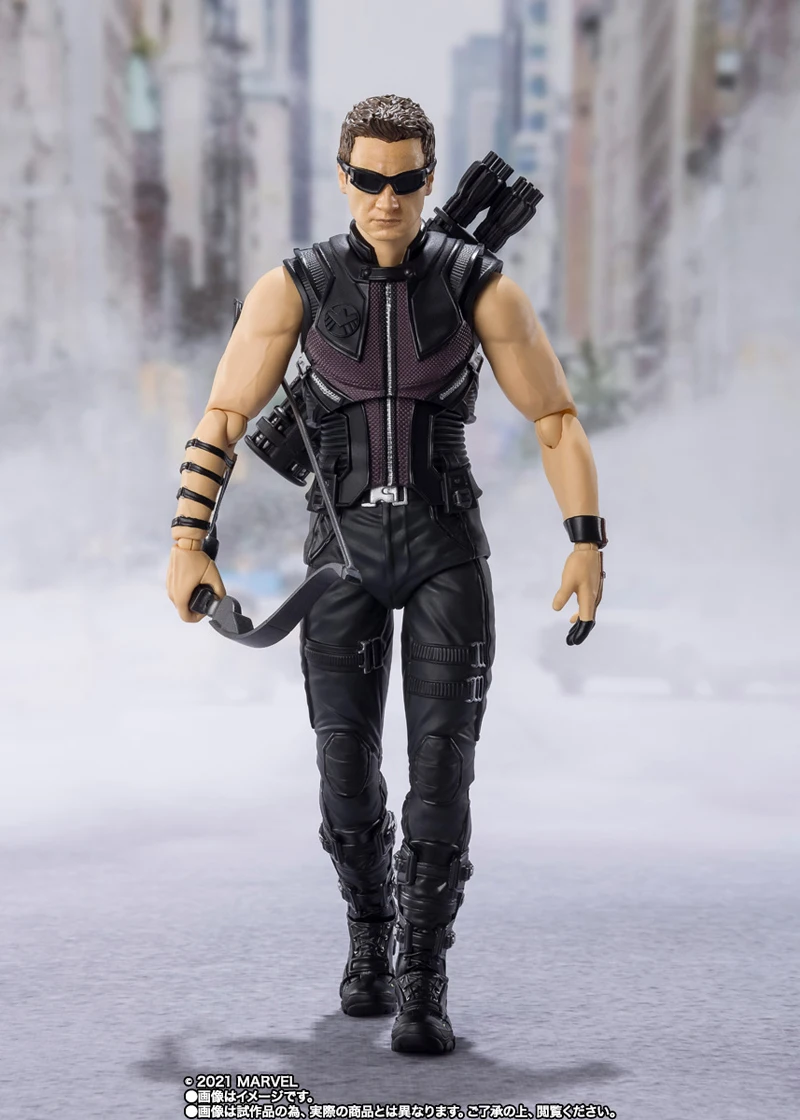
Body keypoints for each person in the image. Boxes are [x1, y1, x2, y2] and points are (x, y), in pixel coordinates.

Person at [166, 94, 606, 1056]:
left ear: (429, 181)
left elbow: (556, 418)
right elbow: (223, 417)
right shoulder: (297, 286)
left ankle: (423, 977)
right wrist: (189, 536)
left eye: (406, 182)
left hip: (446, 549)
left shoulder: (479, 286)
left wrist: (586, 538)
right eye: (368, 179)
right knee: (344, 772)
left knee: (442, 777)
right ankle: (370, 935)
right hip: (342, 558)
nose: (387, 199)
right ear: (343, 178)